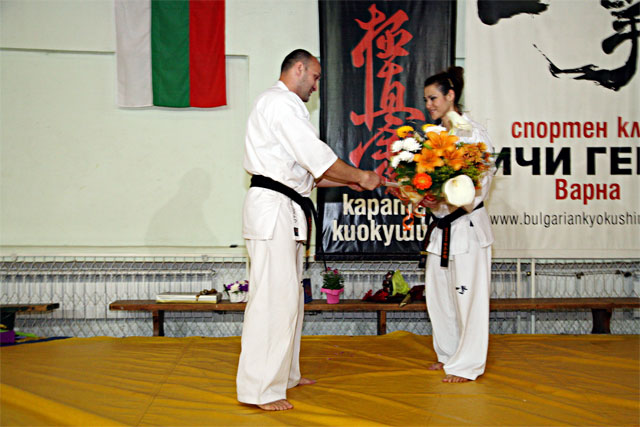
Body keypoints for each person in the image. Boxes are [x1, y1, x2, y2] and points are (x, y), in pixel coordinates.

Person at [237, 49, 382, 411]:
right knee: (272, 300)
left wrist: (350, 182)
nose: (316, 86)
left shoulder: (281, 106)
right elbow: (315, 156)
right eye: (315, 77)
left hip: (285, 208)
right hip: (274, 210)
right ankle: (260, 390)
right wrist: (361, 175)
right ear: (299, 69)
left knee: (289, 298)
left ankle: (285, 374)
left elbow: (306, 173)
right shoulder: (280, 103)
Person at [421, 66, 494, 383]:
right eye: (426, 100)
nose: (429, 105)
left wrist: (443, 194)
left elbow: (479, 187)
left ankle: (468, 365)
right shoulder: (434, 136)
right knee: (440, 298)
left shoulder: (474, 135)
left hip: (467, 228)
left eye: (433, 98)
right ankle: (449, 355)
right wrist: (424, 196)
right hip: (441, 230)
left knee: (468, 299)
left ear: (450, 96)